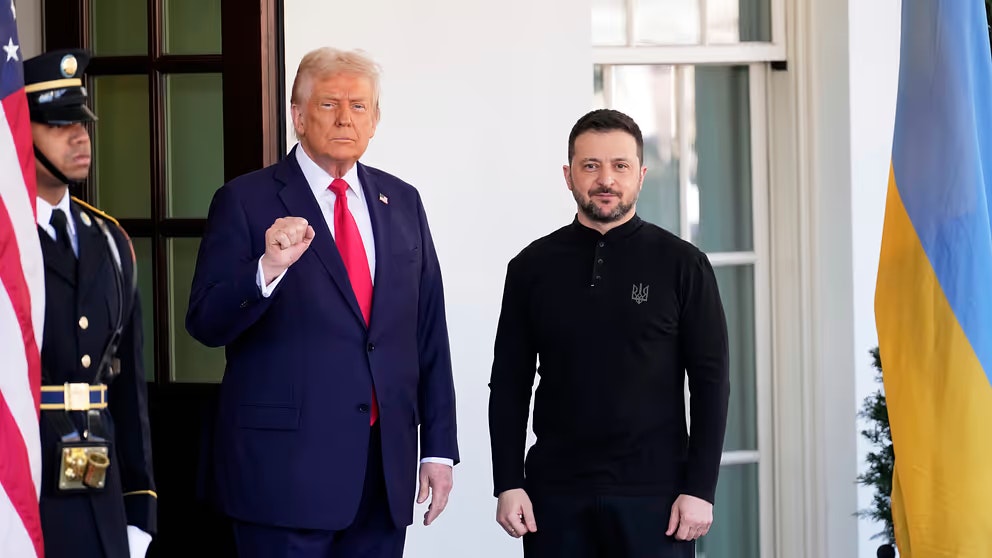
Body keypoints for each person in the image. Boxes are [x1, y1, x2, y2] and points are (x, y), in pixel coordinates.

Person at [185, 47, 459, 558]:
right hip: (282, 477)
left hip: (382, 474)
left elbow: (427, 333)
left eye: (359, 106)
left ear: (375, 121)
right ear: (298, 115)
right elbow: (204, 321)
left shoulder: (402, 201)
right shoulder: (245, 200)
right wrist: (266, 270)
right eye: (329, 103)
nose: (344, 118)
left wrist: (439, 448)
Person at [488, 109, 730, 558]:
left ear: (640, 175)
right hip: (554, 498)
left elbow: (712, 384)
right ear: (569, 175)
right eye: (590, 165)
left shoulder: (683, 265)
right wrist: (508, 482)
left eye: (620, 166)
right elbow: (509, 383)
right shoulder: (530, 268)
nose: (606, 180)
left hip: (658, 499)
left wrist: (700, 489)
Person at [24, 49, 157, 558]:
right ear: (19, 134)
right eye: (59, 124)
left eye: (82, 121)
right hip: (21, 492)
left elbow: (128, 389)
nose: (80, 137)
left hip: (100, 494)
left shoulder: (110, 240)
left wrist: (139, 507)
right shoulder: (6, 240)